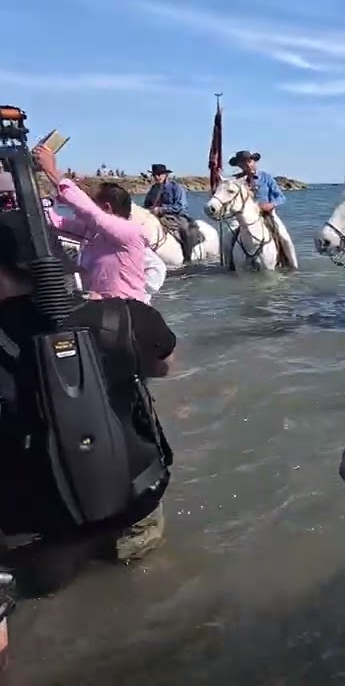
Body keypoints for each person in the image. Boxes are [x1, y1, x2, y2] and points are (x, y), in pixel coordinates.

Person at [0, 176, 176, 597]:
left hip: (39, 531)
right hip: (137, 500)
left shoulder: (126, 227)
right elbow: (164, 366)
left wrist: (58, 179)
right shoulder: (125, 308)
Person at [32, 144, 150, 302]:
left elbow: (90, 213)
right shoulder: (94, 232)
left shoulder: (130, 232)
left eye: (93, 202)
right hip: (104, 310)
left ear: (107, 208)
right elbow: (57, 222)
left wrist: (52, 171)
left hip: (131, 312)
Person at [143, 163, 199, 265]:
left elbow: (181, 206)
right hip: (156, 216)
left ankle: (187, 257)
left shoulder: (176, 188)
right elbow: (146, 204)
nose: (157, 177)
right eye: (155, 175)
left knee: (184, 228)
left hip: (176, 216)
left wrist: (161, 209)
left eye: (159, 174)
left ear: (165, 175)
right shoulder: (153, 189)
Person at [229, 149, 286, 215]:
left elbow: (281, 197)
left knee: (277, 225)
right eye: (243, 163)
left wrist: (271, 204)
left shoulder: (266, 177)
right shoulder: (236, 180)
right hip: (243, 215)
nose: (248, 165)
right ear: (240, 166)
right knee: (233, 223)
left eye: (249, 161)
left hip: (266, 214)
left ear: (254, 162)